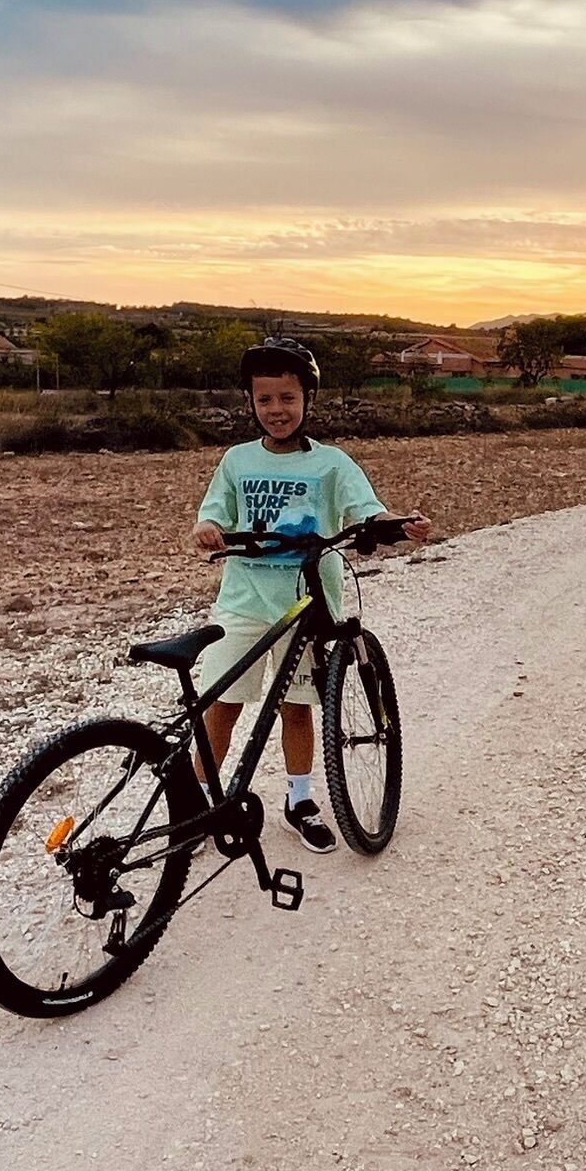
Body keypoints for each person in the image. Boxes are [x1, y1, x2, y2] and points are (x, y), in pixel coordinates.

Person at [189, 337, 432, 852]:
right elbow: (213, 511)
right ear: (251, 403)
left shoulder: (332, 465)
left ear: (308, 400)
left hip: (307, 606)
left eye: (287, 399)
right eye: (264, 400)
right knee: (222, 707)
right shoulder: (236, 460)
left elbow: (367, 511)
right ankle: (198, 802)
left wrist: (398, 524)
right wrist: (208, 528)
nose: (276, 410)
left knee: (297, 706)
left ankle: (300, 799)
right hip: (244, 602)